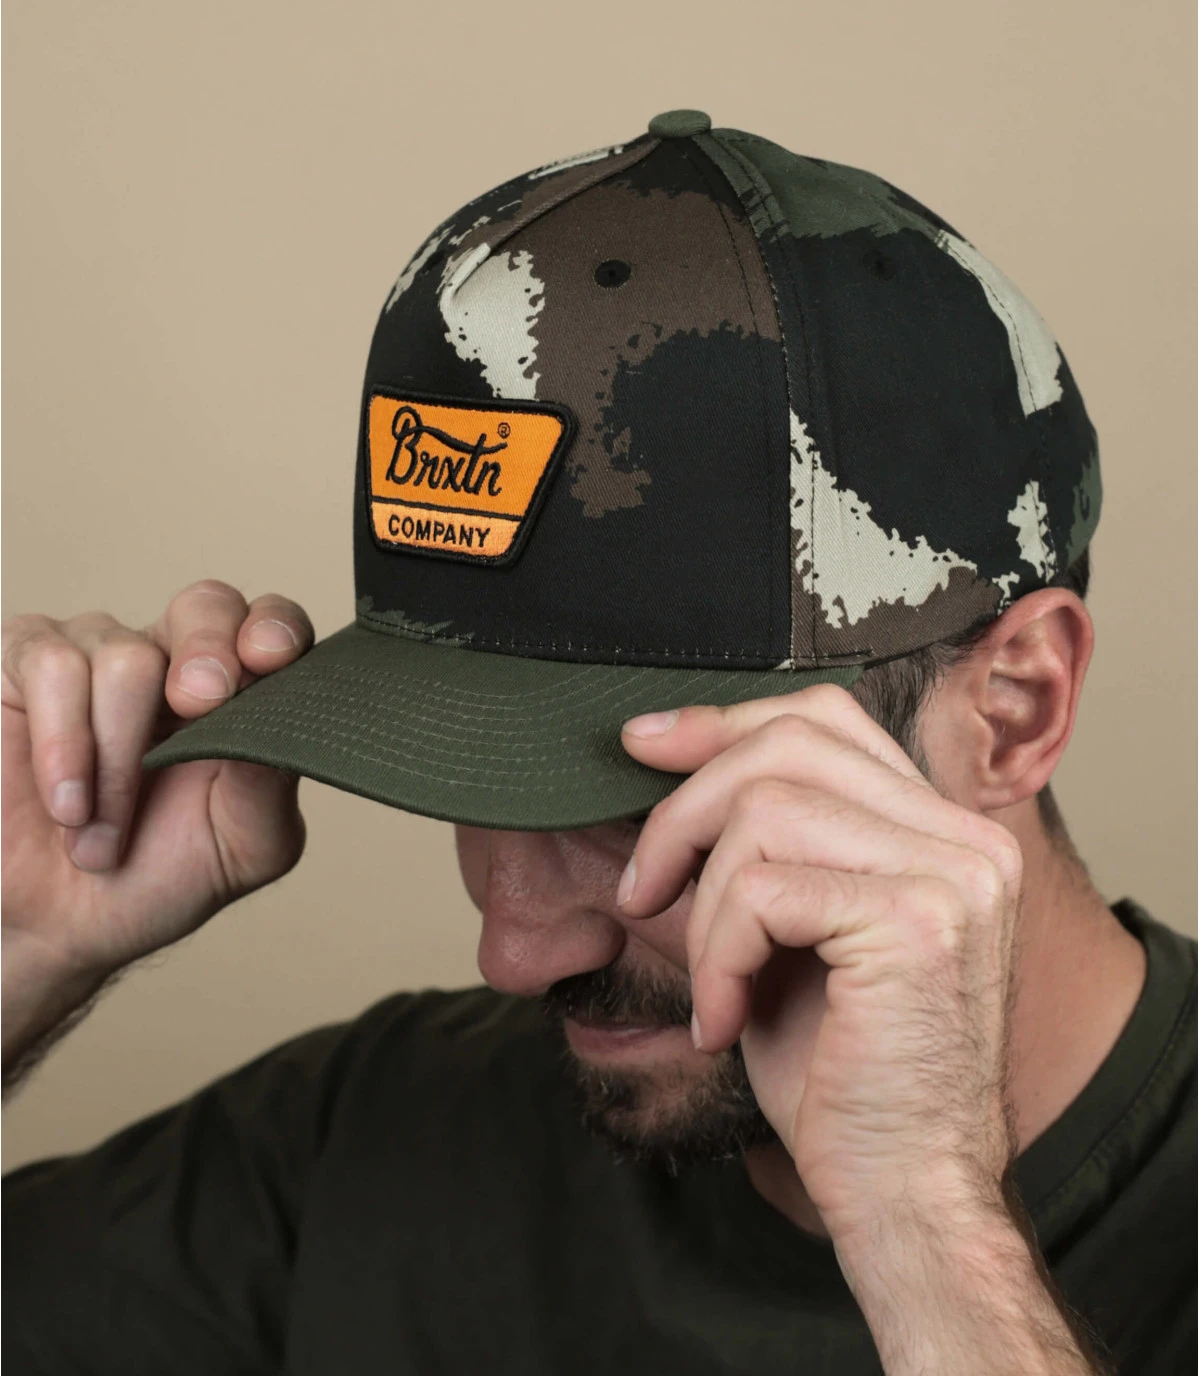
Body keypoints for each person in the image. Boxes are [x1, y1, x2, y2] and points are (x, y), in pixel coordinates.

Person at [2, 110, 1194, 1375]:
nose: (515, 951)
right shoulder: (381, 1142)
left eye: (636, 796)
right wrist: (24, 948)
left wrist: (928, 1231)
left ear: (1014, 707)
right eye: (464, 769)